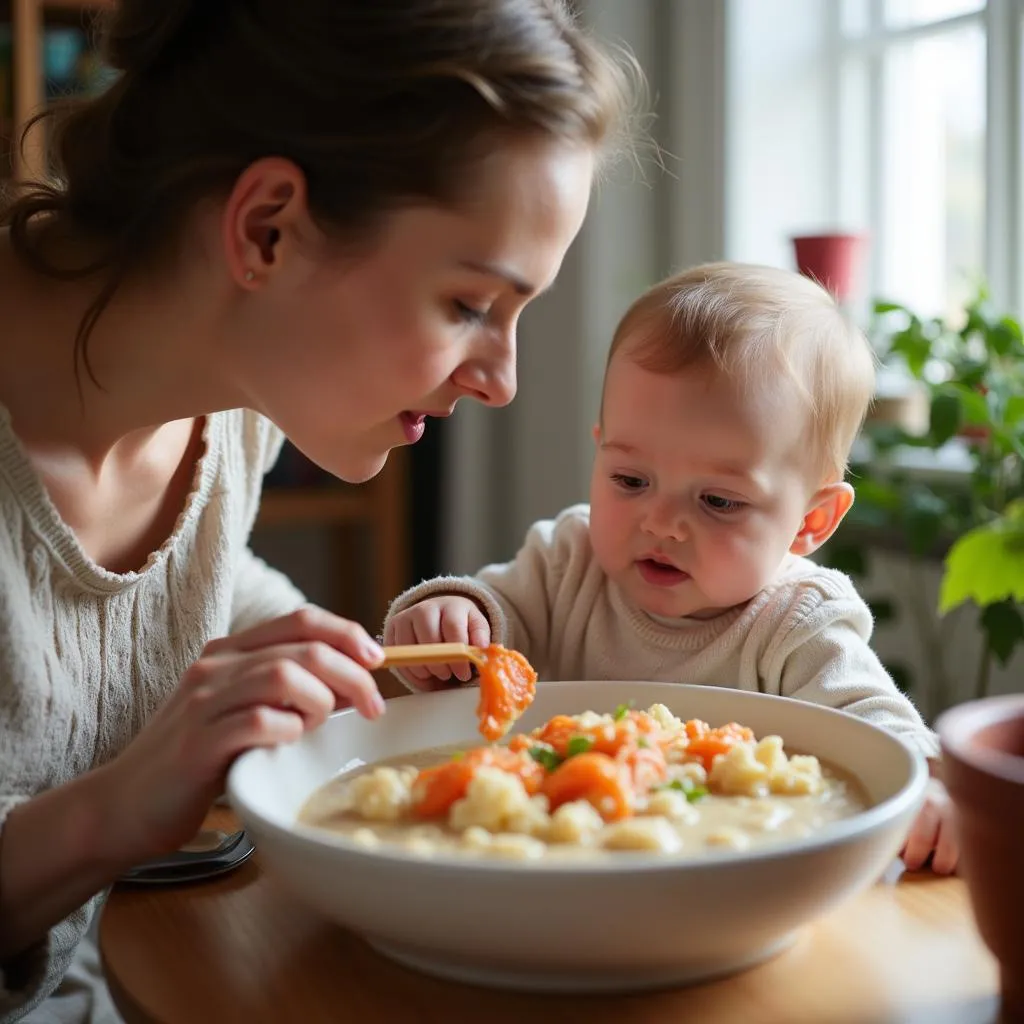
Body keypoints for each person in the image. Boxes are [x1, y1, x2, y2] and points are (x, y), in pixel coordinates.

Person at [0, 0, 639, 1019]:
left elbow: (193, 584)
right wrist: (114, 810)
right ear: (268, 229)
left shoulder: (231, 405)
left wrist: (338, 656)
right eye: (471, 304)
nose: (502, 380)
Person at [384, 261, 958, 877]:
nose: (660, 523)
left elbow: (878, 728)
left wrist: (925, 785)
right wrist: (453, 618)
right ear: (600, 447)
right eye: (630, 480)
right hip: (553, 871)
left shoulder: (800, 621)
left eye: (718, 501)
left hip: (733, 880)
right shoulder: (568, 559)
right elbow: (489, 626)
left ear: (810, 523)